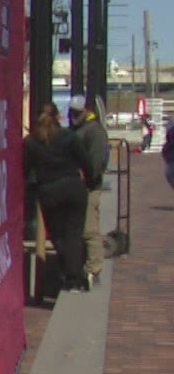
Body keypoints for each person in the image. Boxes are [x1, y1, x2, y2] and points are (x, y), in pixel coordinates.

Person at [24, 102, 95, 293]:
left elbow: (24, 171)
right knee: (74, 234)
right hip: (74, 188)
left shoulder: (31, 142)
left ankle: (69, 274)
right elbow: (86, 162)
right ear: (58, 117)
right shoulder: (69, 137)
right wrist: (91, 181)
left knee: (58, 236)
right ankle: (75, 277)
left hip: (49, 192)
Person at [69, 95, 110, 285]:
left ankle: (94, 269)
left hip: (89, 186)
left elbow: (96, 161)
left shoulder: (94, 131)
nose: (72, 115)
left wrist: (89, 179)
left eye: (76, 112)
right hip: (78, 185)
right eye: (72, 111)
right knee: (83, 228)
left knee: (89, 229)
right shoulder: (80, 129)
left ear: (85, 110)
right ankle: (88, 265)